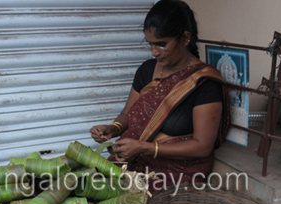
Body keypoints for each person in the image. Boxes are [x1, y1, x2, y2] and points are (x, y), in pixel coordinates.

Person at [90, 0, 229, 191]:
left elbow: (202, 146)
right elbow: (127, 114)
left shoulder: (204, 83)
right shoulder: (147, 71)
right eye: (150, 45)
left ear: (185, 38)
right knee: (91, 190)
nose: (154, 52)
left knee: (130, 203)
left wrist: (145, 148)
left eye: (161, 44)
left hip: (179, 171)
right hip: (136, 160)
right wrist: (112, 128)